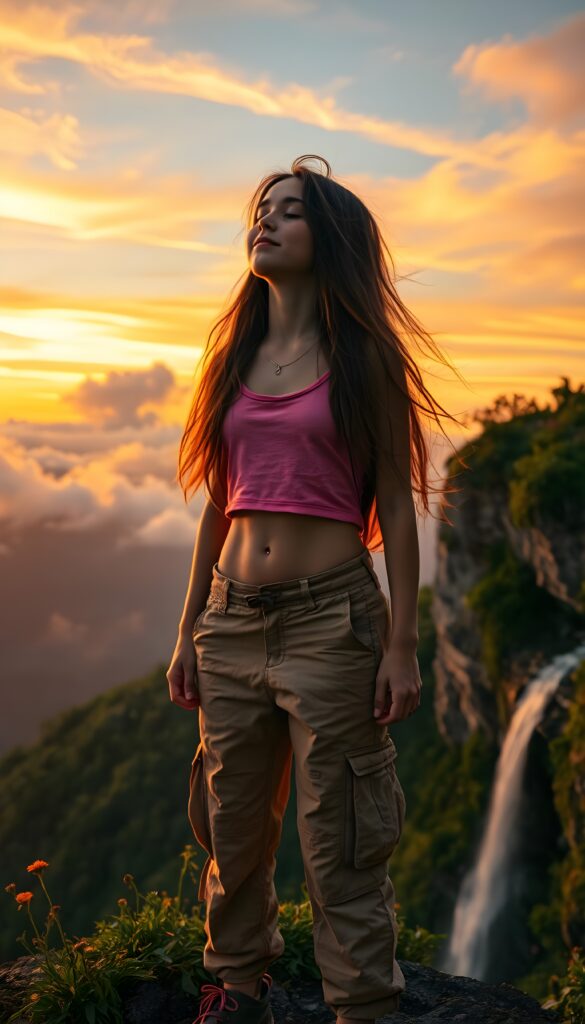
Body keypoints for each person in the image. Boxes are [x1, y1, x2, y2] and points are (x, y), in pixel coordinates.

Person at [167, 154, 463, 1024]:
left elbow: (399, 515)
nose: (263, 221)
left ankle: (361, 1006)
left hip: (332, 621)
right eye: (261, 209)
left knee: (340, 840)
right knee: (232, 828)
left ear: (326, 238)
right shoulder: (235, 356)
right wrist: (188, 630)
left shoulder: (363, 359)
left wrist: (402, 645)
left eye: (287, 211)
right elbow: (220, 505)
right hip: (230, 617)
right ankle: (239, 989)